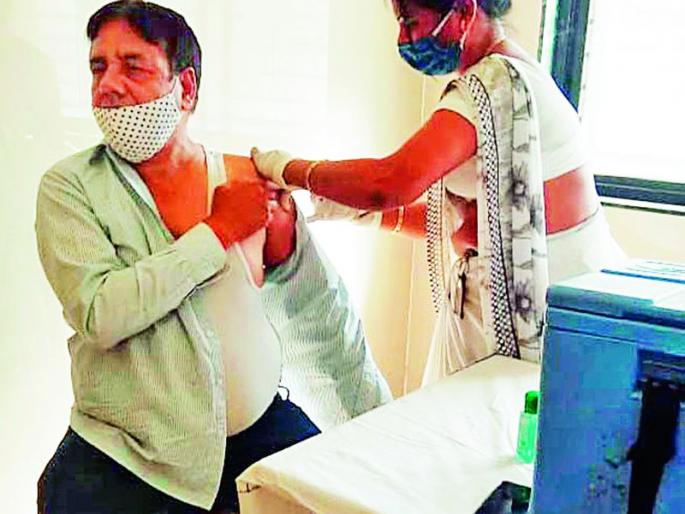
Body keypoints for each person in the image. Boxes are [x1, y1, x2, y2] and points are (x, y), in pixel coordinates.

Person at [35, 2, 390, 513]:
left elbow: (321, 315)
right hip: (129, 457)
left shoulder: (247, 179)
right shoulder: (70, 187)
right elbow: (101, 313)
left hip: (255, 436)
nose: (108, 85)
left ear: (185, 88)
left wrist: (377, 430)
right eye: (98, 67)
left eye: (132, 66)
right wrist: (218, 230)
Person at [252, 0, 627, 383]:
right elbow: (460, 220)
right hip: (498, 304)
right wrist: (360, 214)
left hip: (545, 311)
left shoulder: (496, 86)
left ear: (464, 11)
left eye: (410, 22)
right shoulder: (497, 85)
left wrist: (287, 169)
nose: (404, 39)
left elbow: (389, 182)